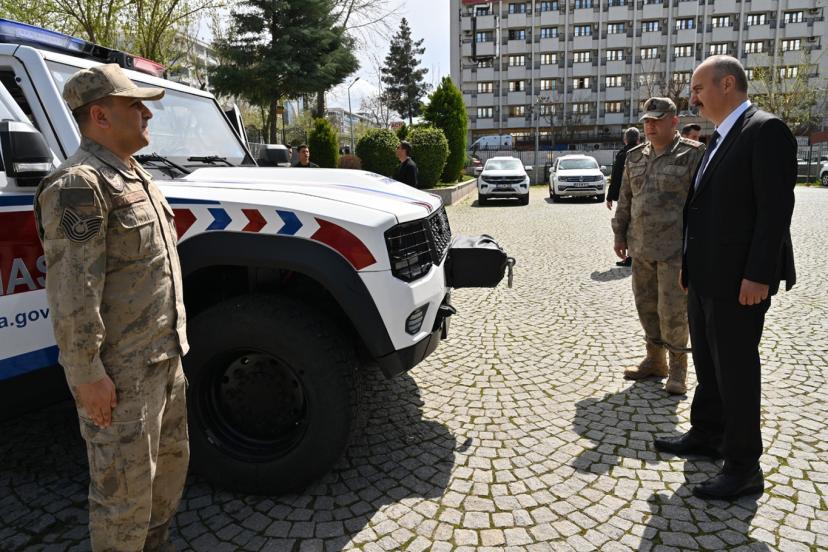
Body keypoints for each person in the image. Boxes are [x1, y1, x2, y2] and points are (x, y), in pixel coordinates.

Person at [33, 64, 189, 551]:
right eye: (135, 105)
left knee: (165, 481)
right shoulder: (79, 186)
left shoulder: (135, 176)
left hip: (163, 359)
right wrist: (86, 375)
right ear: (99, 116)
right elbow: (72, 291)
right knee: (123, 501)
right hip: (120, 378)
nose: (147, 113)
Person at [655, 56, 797, 500]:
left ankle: (743, 466)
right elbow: (702, 208)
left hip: (739, 283)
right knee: (709, 364)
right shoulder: (719, 136)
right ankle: (708, 433)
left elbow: (775, 211)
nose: (693, 98)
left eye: (698, 89)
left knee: (736, 372)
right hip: (705, 277)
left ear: (728, 84)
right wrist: (688, 265)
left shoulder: (765, 130)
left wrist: (759, 275)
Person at [611, 97, 705, 395]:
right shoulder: (635, 156)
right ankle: (655, 360)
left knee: (673, 311)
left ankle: (678, 369)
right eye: (646, 121)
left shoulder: (693, 154)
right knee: (646, 306)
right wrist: (619, 234)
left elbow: (702, 204)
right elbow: (625, 198)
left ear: (674, 121)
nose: (650, 126)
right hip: (640, 247)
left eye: (656, 120)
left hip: (675, 251)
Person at [607, 127, 641, 267]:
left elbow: (615, 177)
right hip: (640, 196)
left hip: (625, 196)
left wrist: (610, 196)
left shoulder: (622, 154)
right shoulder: (645, 152)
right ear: (638, 139)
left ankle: (630, 256)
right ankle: (635, 256)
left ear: (625, 140)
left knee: (626, 225)